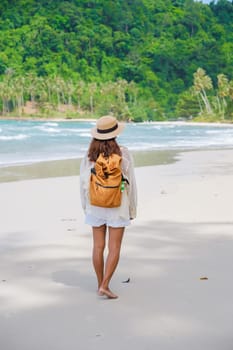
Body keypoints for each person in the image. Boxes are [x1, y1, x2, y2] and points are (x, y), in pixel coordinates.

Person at [80, 115, 137, 299]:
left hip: (95, 205)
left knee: (97, 247)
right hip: (118, 205)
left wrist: (86, 207)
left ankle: (100, 284)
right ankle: (105, 285)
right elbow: (131, 184)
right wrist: (132, 209)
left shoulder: (89, 155)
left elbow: (83, 184)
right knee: (114, 248)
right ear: (115, 134)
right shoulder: (123, 154)